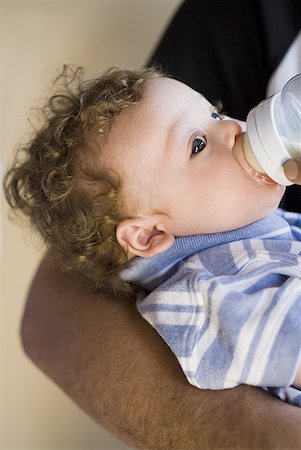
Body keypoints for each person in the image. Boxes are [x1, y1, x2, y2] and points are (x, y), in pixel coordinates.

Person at [16, 0, 301, 448]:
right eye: (198, 144)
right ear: (148, 234)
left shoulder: (258, 232)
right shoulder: (203, 295)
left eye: (215, 111)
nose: (232, 127)